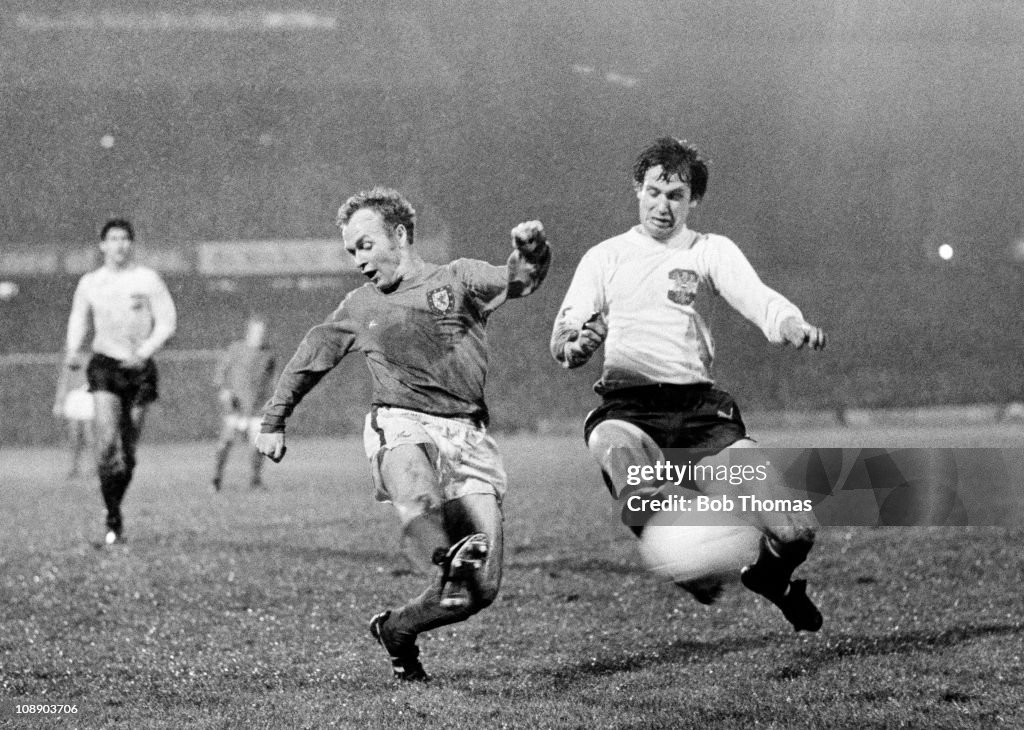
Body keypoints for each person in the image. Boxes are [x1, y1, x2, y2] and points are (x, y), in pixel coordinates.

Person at [255, 187, 550, 681]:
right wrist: (273, 419)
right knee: (412, 476)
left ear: (399, 235)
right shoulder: (358, 305)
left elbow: (519, 279)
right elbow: (310, 357)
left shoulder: (458, 278)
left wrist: (533, 251)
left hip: (468, 435)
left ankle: (397, 630)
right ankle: (442, 552)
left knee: (478, 591)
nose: (358, 261)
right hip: (400, 418)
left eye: (365, 245)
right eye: (351, 252)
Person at [550, 137, 827, 631]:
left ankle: (770, 578)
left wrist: (790, 324)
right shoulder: (604, 257)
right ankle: (682, 552)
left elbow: (759, 299)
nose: (663, 205)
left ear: (693, 199)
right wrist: (576, 346)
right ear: (638, 189)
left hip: (702, 418)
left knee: (796, 530)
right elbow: (565, 337)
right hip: (628, 411)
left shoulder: (709, 251)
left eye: (675, 195)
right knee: (614, 447)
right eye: (654, 191)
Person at [62, 218, 177, 546]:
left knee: (127, 451)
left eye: (125, 238)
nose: (120, 244)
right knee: (107, 445)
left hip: (139, 368)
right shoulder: (90, 282)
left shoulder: (147, 279)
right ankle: (112, 514)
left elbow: (167, 320)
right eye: (113, 238)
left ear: (132, 244)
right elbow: (78, 317)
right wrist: (73, 349)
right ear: (102, 245)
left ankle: (116, 507)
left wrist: (144, 352)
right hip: (105, 366)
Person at [211, 314, 276, 491]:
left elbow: (271, 380)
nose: (260, 336)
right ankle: (216, 479)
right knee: (225, 444)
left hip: (257, 409)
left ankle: (255, 480)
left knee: (258, 446)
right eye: (256, 332)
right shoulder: (236, 349)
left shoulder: (268, 354)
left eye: (263, 332)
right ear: (249, 332)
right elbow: (220, 374)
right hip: (236, 407)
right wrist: (225, 391)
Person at [52, 355, 95, 481]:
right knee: (74, 437)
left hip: (87, 396)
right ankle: (74, 468)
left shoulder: (93, 356)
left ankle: (94, 468)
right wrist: (59, 402)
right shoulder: (71, 357)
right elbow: (64, 382)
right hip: (73, 398)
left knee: (90, 436)